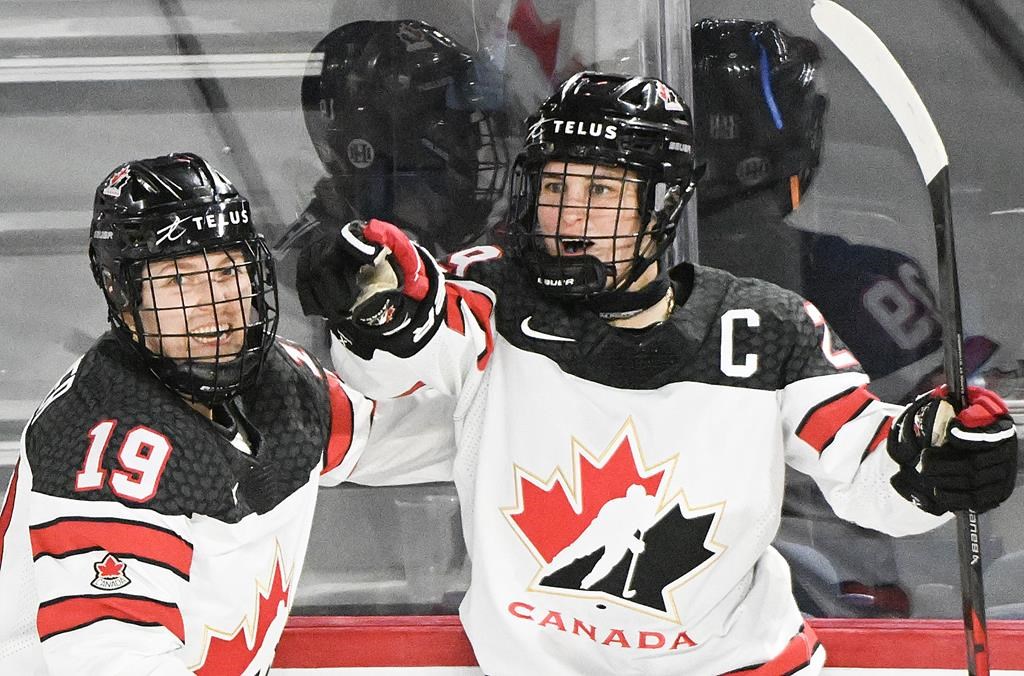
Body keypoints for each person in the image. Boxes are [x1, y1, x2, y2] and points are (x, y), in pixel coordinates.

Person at [295, 72, 1018, 674]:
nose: (568, 219)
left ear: (663, 205)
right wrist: (377, 304)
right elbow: (408, 357)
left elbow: (870, 475)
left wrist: (937, 462)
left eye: (602, 193)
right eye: (555, 188)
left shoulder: (765, 327)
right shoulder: (494, 295)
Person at [0, 153, 394, 674]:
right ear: (122, 293)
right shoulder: (104, 450)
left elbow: (421, 438)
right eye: (179, 280)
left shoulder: (279, 382)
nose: (216, 304)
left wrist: (397, 329)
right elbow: (112, 662)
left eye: (230, 270)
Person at [691, 17, 1002, 617]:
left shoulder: (848, 279)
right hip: (827, 593)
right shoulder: (857, 280)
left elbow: (960, 448)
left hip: (815, 595)